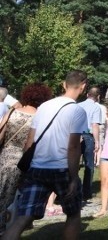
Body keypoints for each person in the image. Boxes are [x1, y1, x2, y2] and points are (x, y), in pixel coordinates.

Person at [4, 70, 89, 240]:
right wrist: (73, 178)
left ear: (64, 85)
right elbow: (73, 147)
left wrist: (25, 170)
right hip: (61, 169)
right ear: (84, 86)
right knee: (73, 215)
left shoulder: (44, 107)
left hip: (37, 168)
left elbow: (30, 142)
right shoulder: (77, 111)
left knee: (22, 218)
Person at [0, 82, 53, 234]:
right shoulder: (40, 117)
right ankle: (9, 228)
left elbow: (1, 134)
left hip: (4, 156)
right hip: (24, 161)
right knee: (14, 198)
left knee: (2, 194)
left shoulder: (11, 111)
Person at [78, 86, 104, 201]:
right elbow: (95, 125)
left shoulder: (78, 105)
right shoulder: (96, 108)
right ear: (98, 97)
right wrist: (97, 141)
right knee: (89, 164)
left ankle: (69, 189)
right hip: (88, 135)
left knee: (73, 164)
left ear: (87, 94)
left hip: (76, 135)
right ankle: (86, 192)